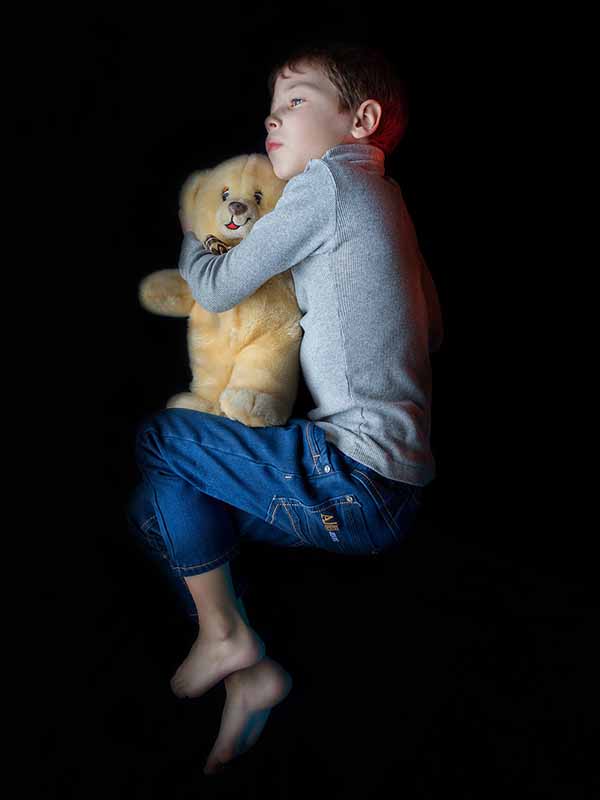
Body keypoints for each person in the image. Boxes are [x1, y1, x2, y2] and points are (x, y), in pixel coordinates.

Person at [126, 39, 444, 776]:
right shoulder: (388, 200)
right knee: (163, 508)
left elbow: (213, 286)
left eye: (295, 102)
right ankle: (247, 671)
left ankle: (227, 639)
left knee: (162, 438)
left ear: (360, 120)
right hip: (388, 493)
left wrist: (196, 223)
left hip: (351, 473)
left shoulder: (331, 183)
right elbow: (430, 325)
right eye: (270, 108)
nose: (273, 121)